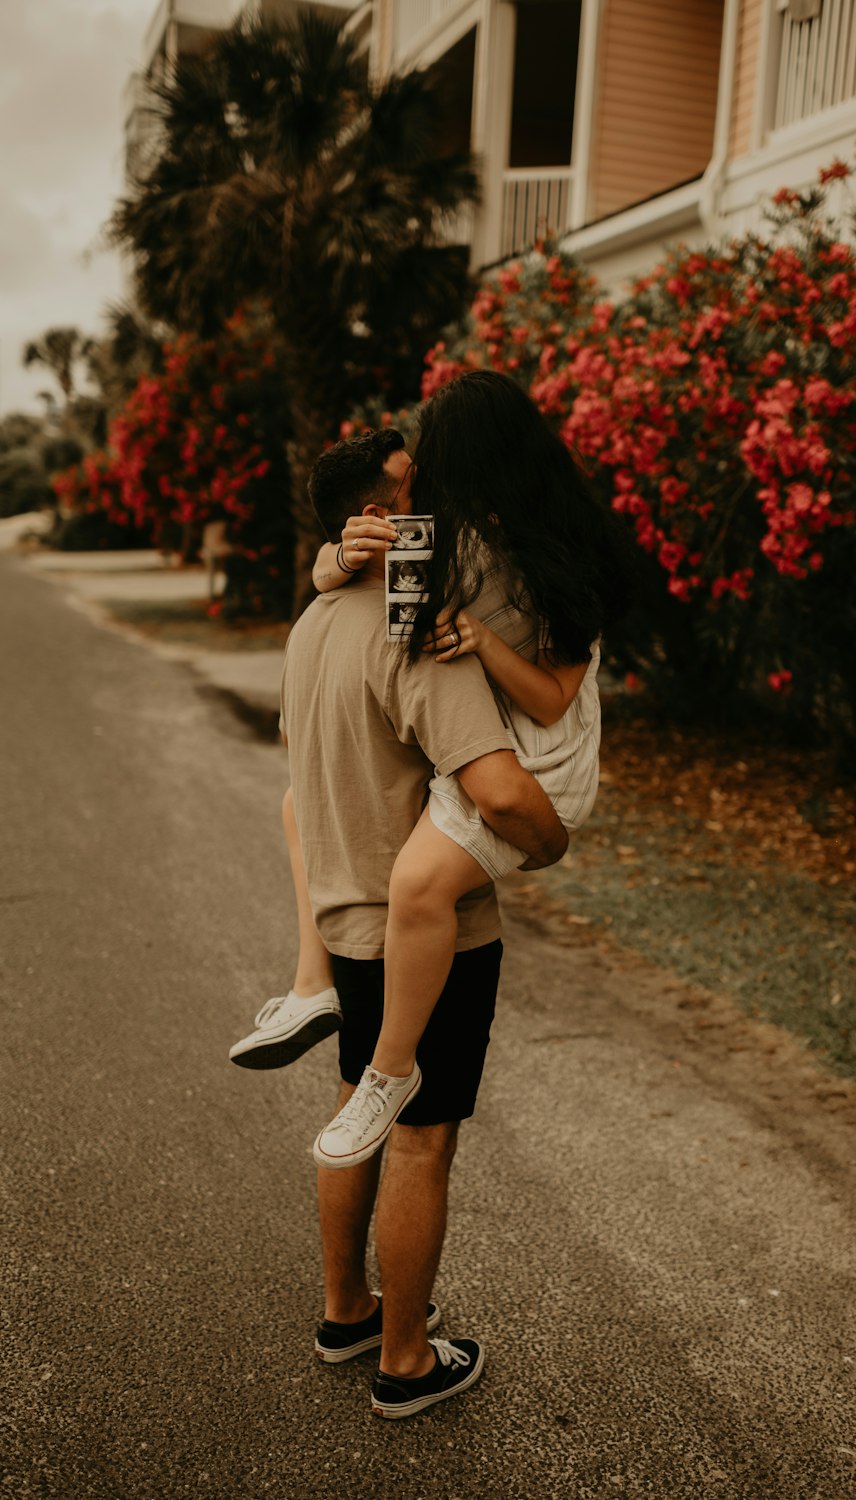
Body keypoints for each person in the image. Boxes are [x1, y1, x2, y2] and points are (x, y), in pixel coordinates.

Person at [279, 425, 569, 1418]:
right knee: (418, 1140)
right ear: (373, 520)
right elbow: (499, 793)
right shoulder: (414, 631)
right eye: (412, 491)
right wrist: (551, 839)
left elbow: (302, 777)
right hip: (430, 936)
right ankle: (404, 1360)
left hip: (348, 919)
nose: (434, 506)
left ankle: (345, 1309)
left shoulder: (312, 624)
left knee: (364, 1100)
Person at [308, 371, 629, 1172]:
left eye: (439, 455)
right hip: (480, 741)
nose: (429, 474)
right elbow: (338, 573)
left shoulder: (560, 550)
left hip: (544, 759)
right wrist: (338, 555)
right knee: (298, 800)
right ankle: (312, 986)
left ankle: (388, 1072)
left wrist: (481, 643)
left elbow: (556, 701)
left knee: (419, 885)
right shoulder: (452, 534)